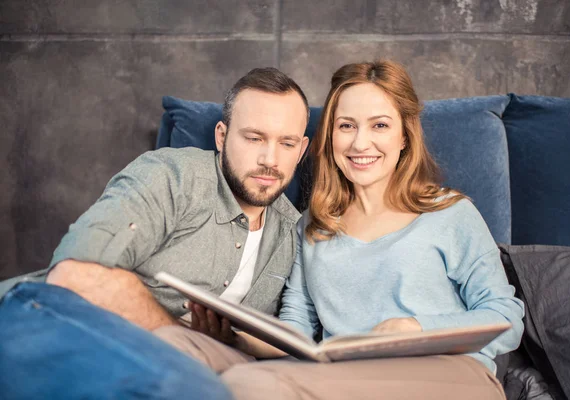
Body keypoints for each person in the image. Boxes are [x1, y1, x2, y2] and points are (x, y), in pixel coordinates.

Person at [156, 60, 525, 399]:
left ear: (404, 137)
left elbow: (506, 317)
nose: (360, 143)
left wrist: (416, 327)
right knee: (174, 343)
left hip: (452, 375)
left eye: (379, 125)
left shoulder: (449, 213)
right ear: (330, 137)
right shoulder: (312, 228)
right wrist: (234, 336)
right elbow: (297, 330)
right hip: (346, 376)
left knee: (249, 385)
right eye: (346, 126)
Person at [0, 67, 310, 331]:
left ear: (302, 150)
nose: (270, 159)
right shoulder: (169, 177)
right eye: (254, 138)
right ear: (221, 136)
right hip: (41, 325)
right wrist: (183, 340)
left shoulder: (292, 233)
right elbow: (75, 274)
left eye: (286, 143)